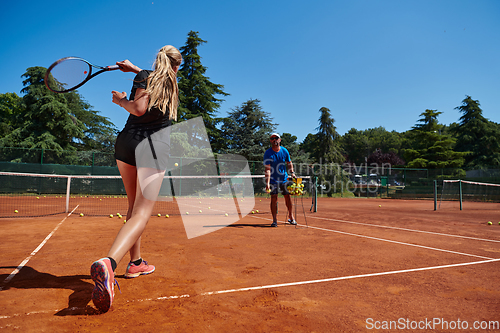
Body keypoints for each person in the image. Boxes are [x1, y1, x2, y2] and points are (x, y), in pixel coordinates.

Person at [90, 45, 182, 313]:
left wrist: (120, 99)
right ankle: (110, 262)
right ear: (176, 66)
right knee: (142, 213)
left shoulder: (144, 76)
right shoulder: (169, 84)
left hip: (126, 143)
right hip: (152, 147)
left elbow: (137, 108)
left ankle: (136, 263)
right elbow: (144, 105)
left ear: (157, 60)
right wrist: (133, 73)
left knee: (133, 207)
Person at [264, 133, 297, 227]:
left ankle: (291, 217)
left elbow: (289, 162)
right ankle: (274, 220)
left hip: (284, 179)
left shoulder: (284, 151)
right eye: (272, 138)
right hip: (273, 180)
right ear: (270, 141)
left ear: (280, 140)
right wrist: (267, 183)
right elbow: (267, 169)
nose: (274, 140)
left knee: (288, 197)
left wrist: (292, 173)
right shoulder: (268, 153)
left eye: (276, 138)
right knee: (274, 198)